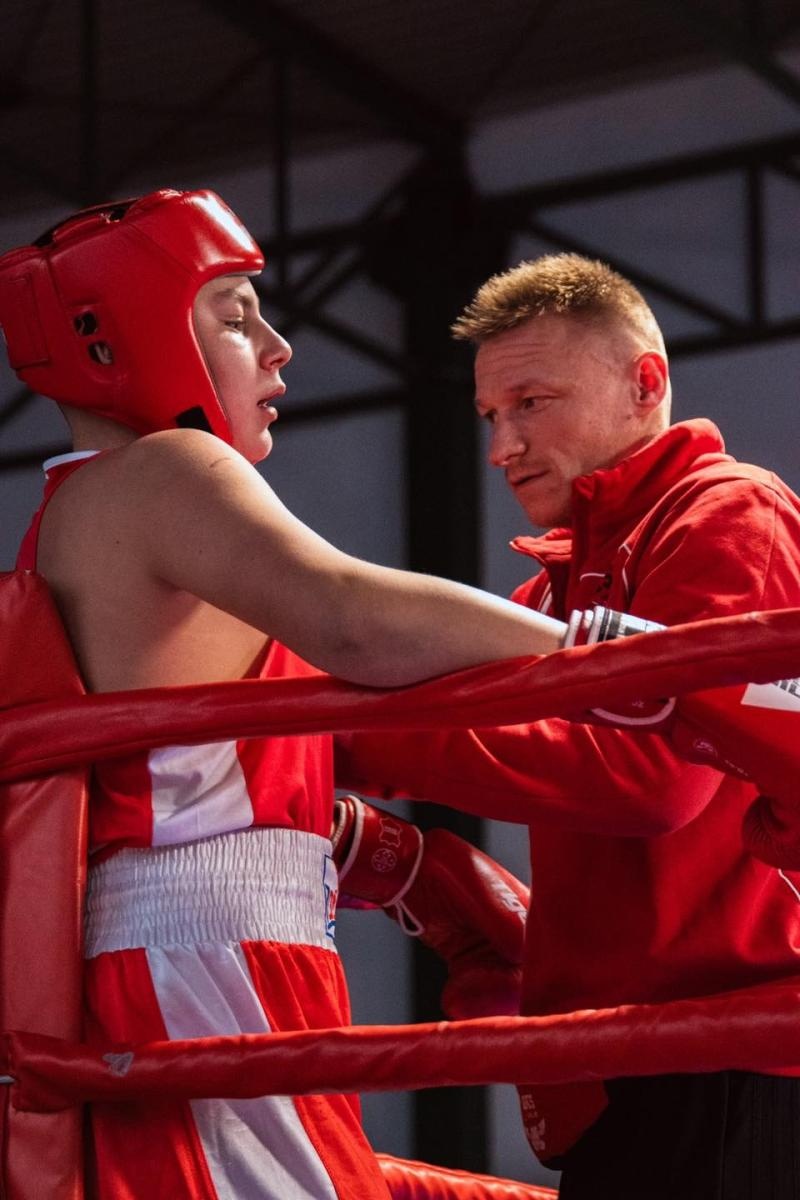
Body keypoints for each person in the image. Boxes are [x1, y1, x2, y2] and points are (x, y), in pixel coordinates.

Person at [0, 190, 569, 1200]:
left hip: (208, 958)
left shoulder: (87, 508)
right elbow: (350, 618)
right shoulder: (164, 471)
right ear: (115, 338)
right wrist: (604, 653)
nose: (277, 348)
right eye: (234, 316)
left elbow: (185, 770)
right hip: (205, 963)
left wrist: (361, 843)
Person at [334, 254, 800, 1200]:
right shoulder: (545, 595)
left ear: (646, 383)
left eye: (532, 404)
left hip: (727, 1045)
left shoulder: (726, 514)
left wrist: (347, 739)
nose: (502, 446)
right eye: (489, 417)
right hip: (618, 1053)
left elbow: (654, 785)